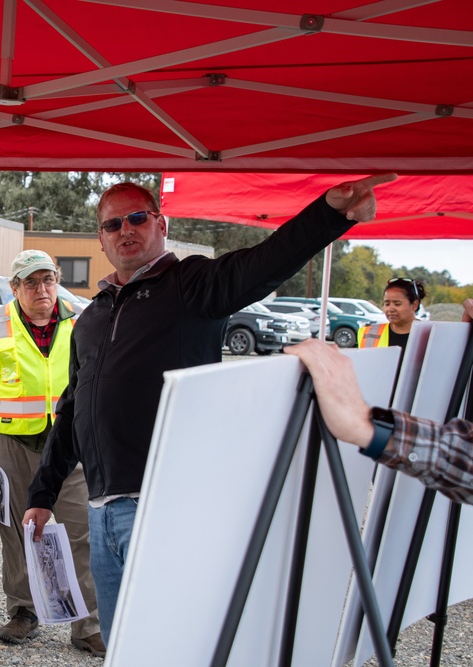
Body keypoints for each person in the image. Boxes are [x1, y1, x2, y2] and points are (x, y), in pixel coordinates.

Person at [24, 174, 397, 645]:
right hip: (101, 511)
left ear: (160, 223)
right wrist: (42, 493)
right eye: (113, 223)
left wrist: (329, 214)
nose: (126, 230)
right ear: (100, 238)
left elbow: (261, 265)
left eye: (137, 217)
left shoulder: (191, 284)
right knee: (122, 646)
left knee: (172, 642)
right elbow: (72, 410)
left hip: (162, 504)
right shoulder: (92, 317)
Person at [0, 250, 104, 656]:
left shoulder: (81, 319)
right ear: (15, 287)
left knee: (78, 533)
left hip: (68, 444)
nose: (42, 289)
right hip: (11, 443)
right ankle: (23, 611)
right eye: (31, 282)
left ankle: (87, 625)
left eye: (48, 280)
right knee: (17, 532)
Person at [286, 325, 473, 505]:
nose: (390, 308)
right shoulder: (375, 331)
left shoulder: (427, 336)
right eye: (388, 302)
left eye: (397, 303)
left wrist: (367, 426)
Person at [359, 278, 427, 351]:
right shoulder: (368, 334)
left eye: (397, 304)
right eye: (387, 304)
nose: (390, 309)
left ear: (414, 305)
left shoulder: (430, 335)